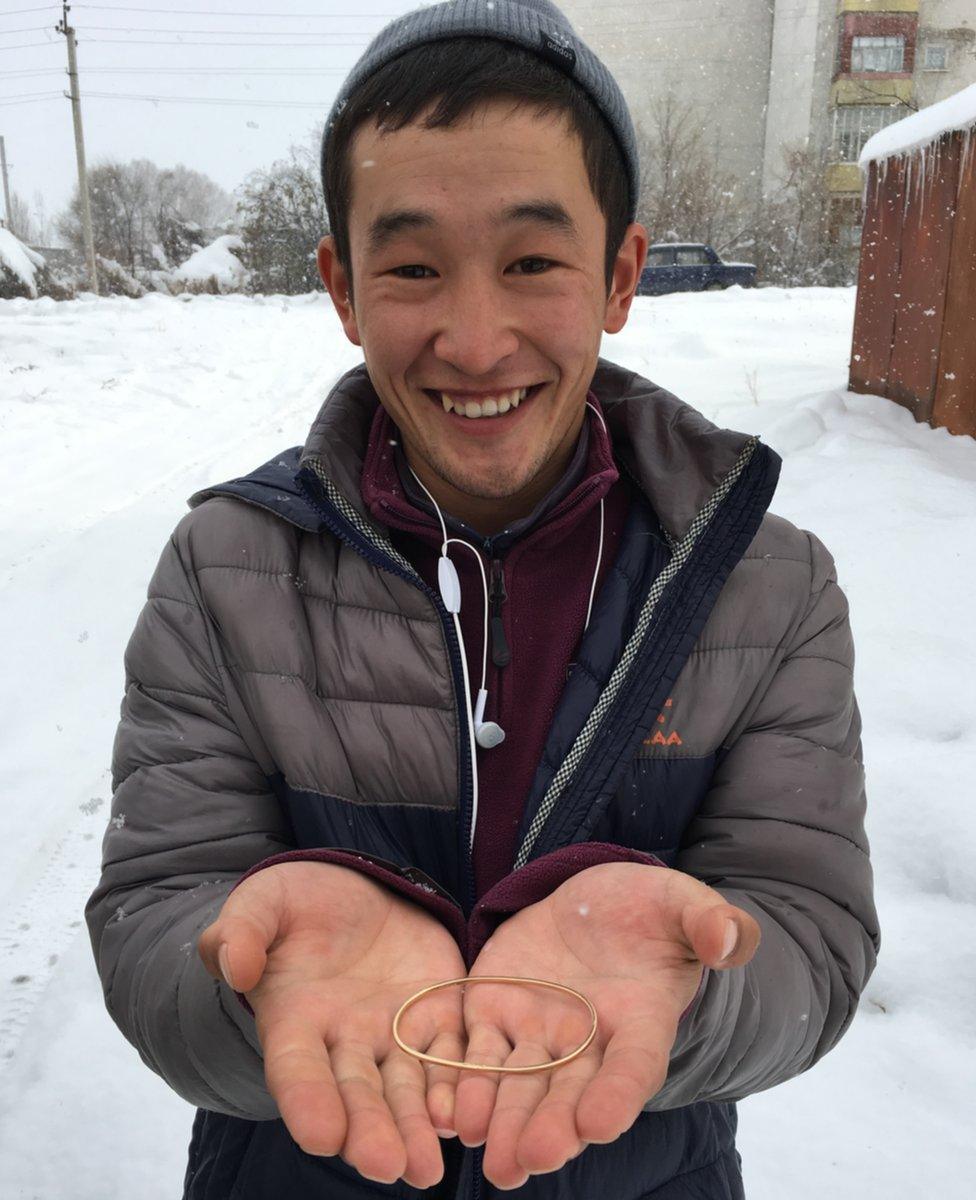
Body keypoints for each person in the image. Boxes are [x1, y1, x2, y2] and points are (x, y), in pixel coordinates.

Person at [85, 2, 880, 1197]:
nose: (473, 338)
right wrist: (255, 977)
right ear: (342, 289)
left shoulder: (770, 587)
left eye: (531, 262)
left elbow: (808, 930)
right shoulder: (222, 570)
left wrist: (684, 988)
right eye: (410, 268)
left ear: (617, 275)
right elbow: (155, 910)